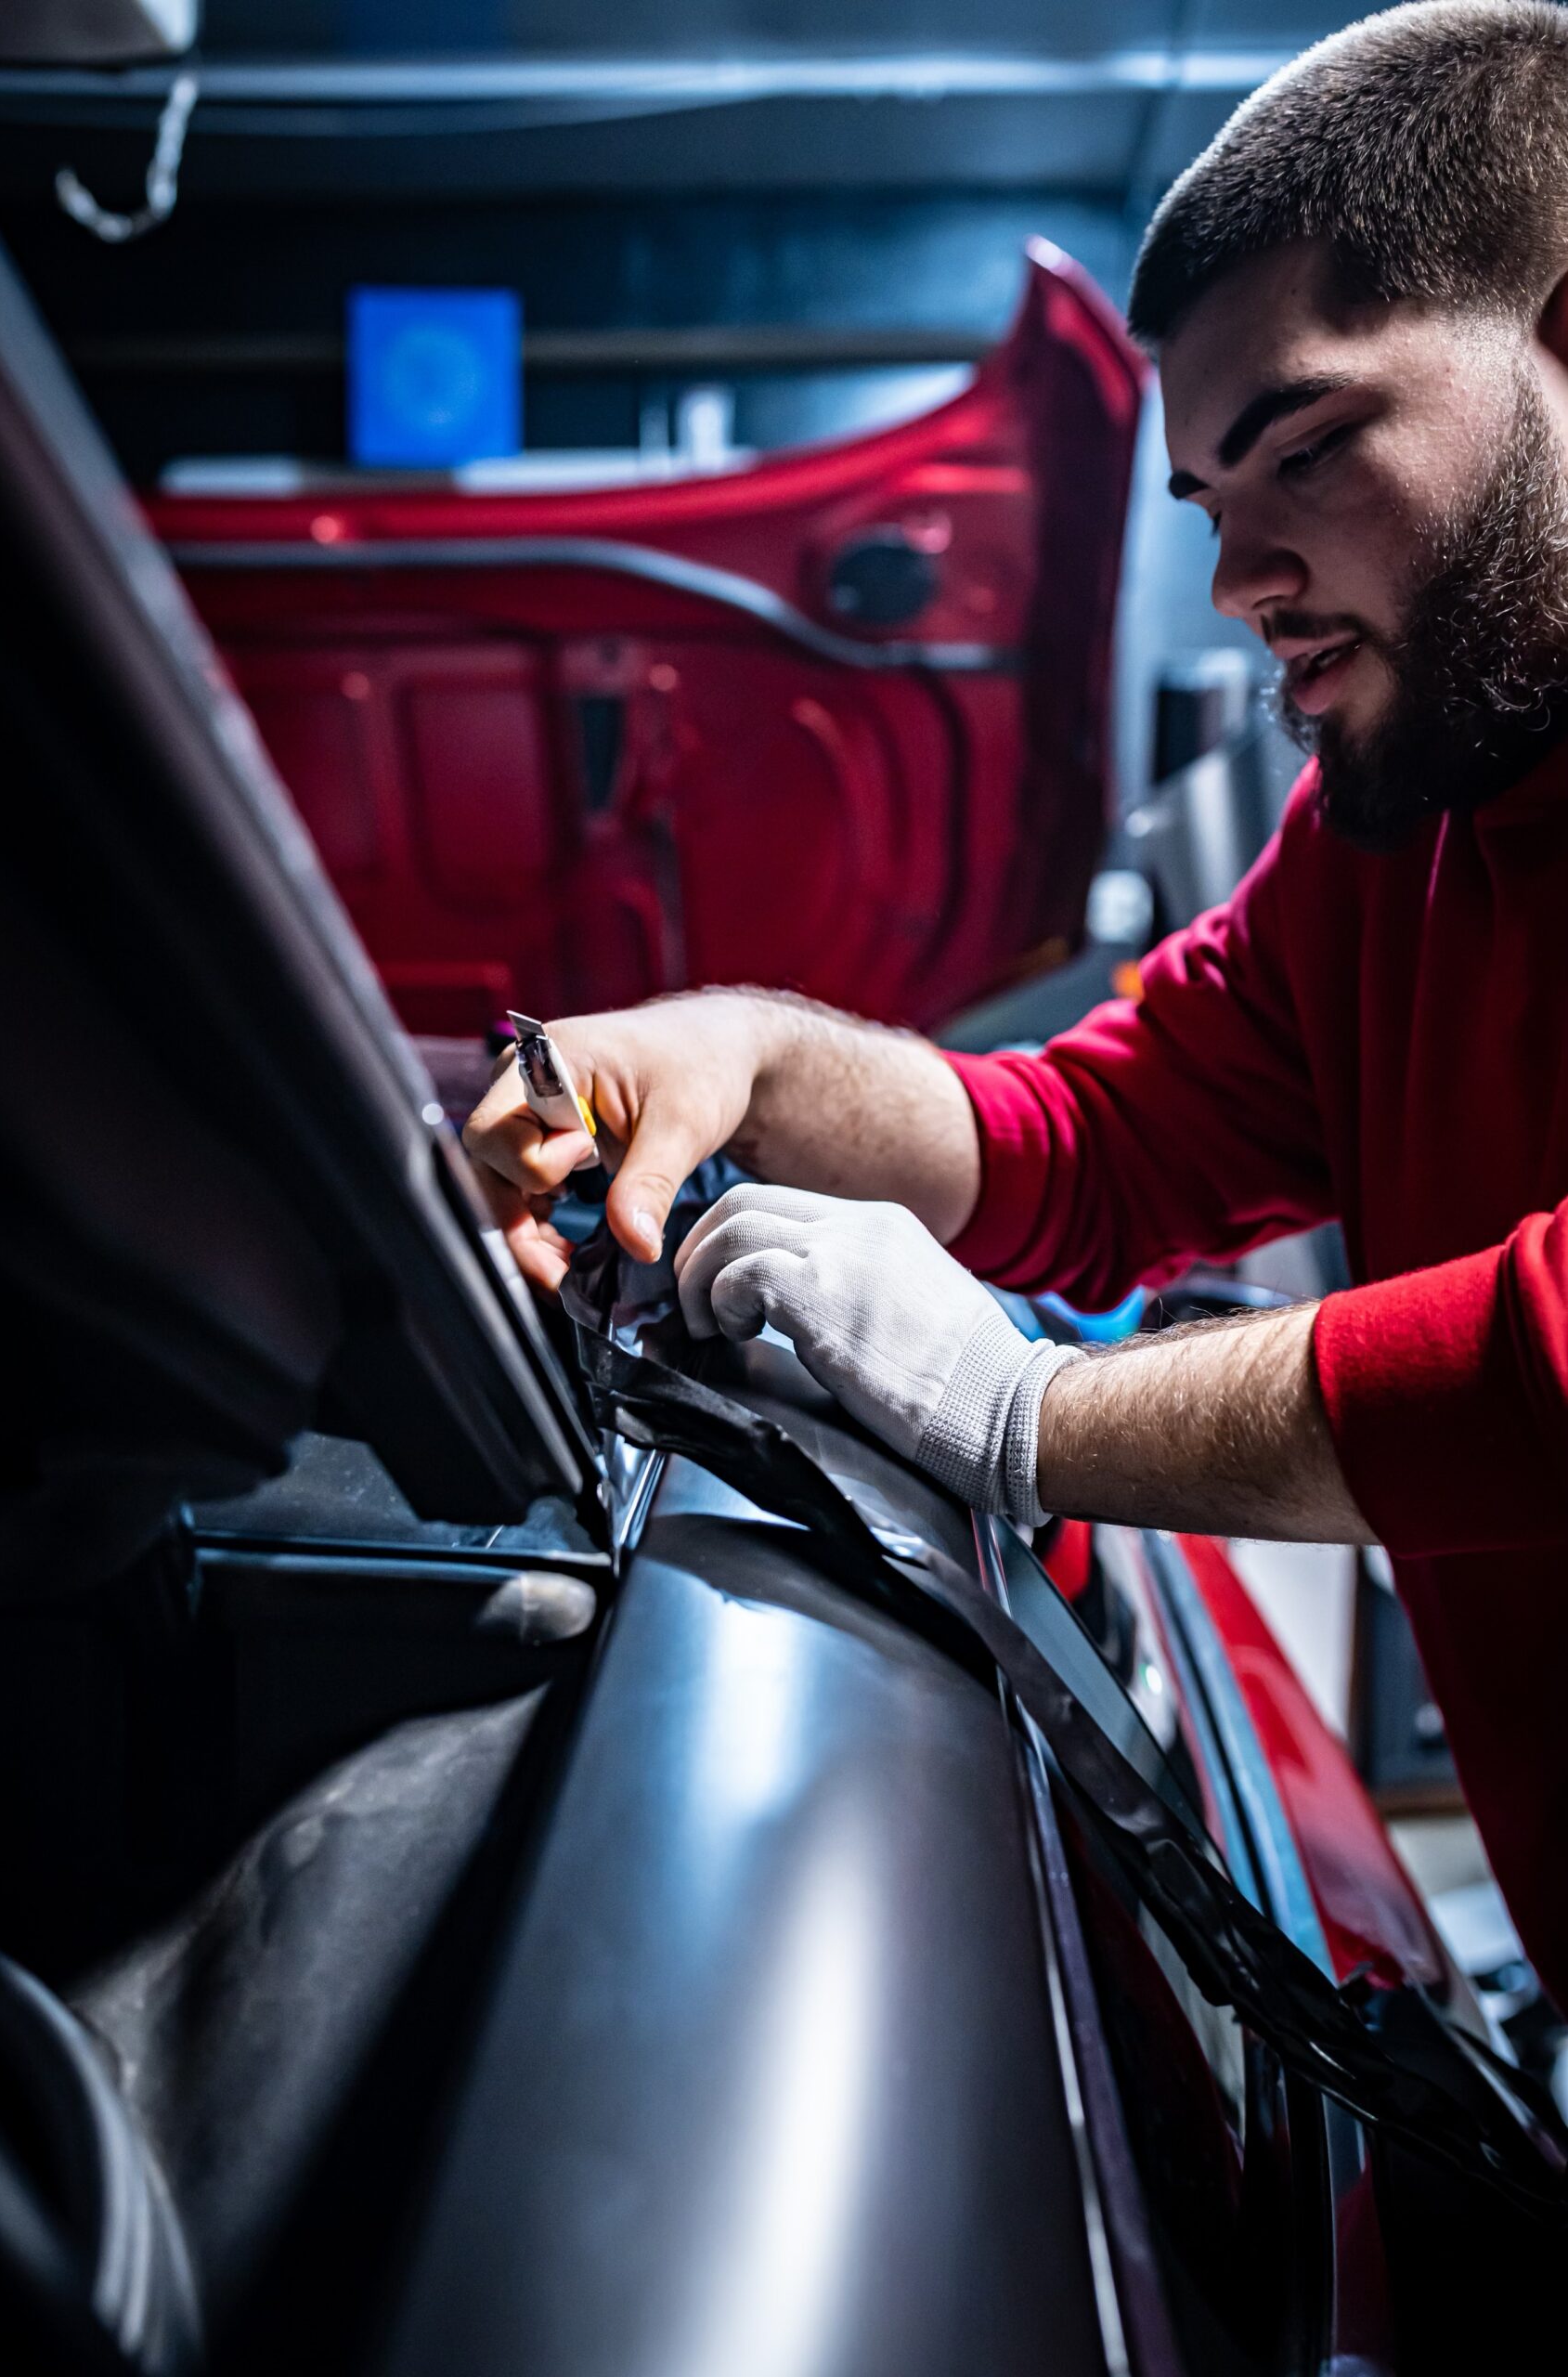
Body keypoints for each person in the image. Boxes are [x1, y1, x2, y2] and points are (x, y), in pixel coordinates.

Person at [465, 5, 1568, 2007]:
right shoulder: (1393, 837)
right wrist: (750, 1057)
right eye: (1208, 500)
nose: (1238, 576)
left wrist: (1029, 1417)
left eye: (1306, 448)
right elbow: (1096, 1144)